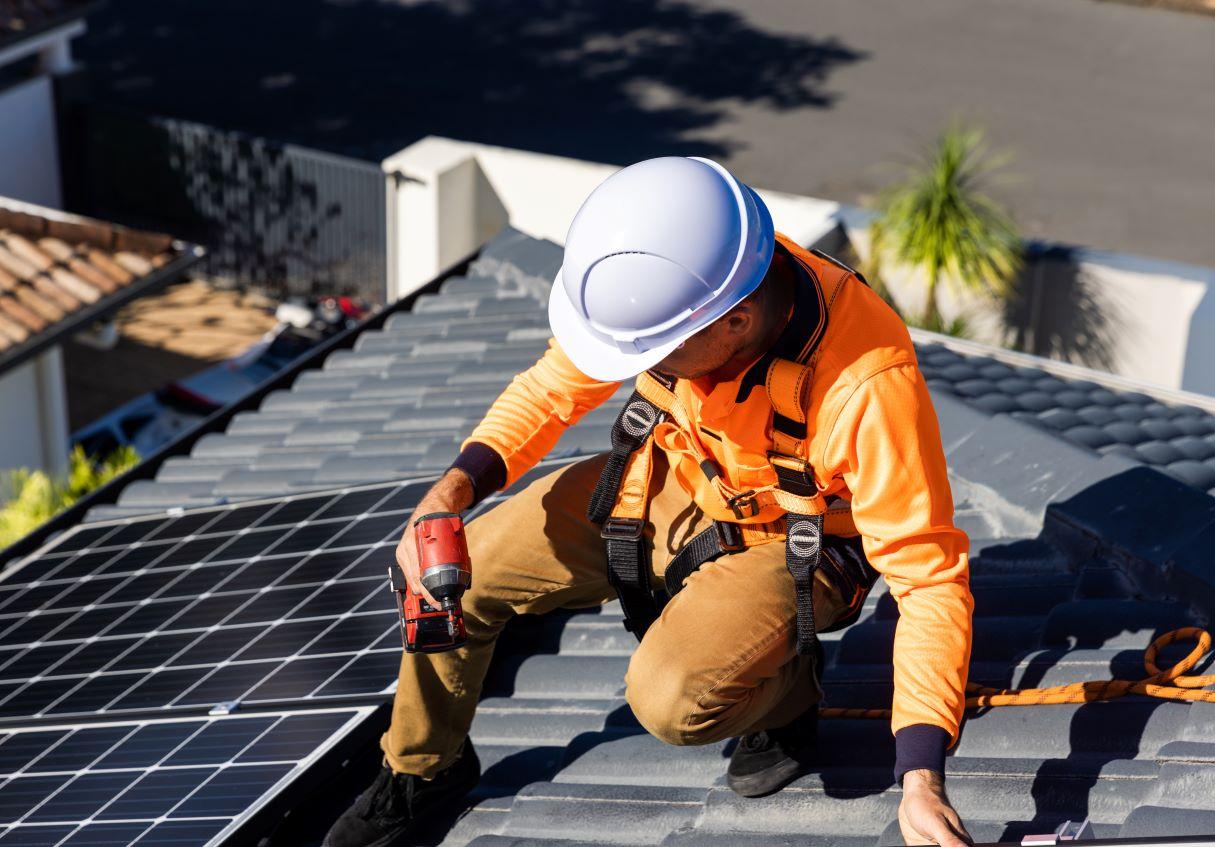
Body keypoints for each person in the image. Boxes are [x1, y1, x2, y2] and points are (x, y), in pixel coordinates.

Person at [324, 157, 974, 847]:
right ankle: (424, 769)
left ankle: (790, 694)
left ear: (736, 322)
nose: (645, 365)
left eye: (658, 354)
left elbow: (930, 582)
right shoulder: (684, 278)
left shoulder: (868, 386)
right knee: (459, 574)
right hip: (684, 479)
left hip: (797, 539)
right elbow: (551, 388)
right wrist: (451, 491)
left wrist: (920, 778)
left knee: (672, 699)